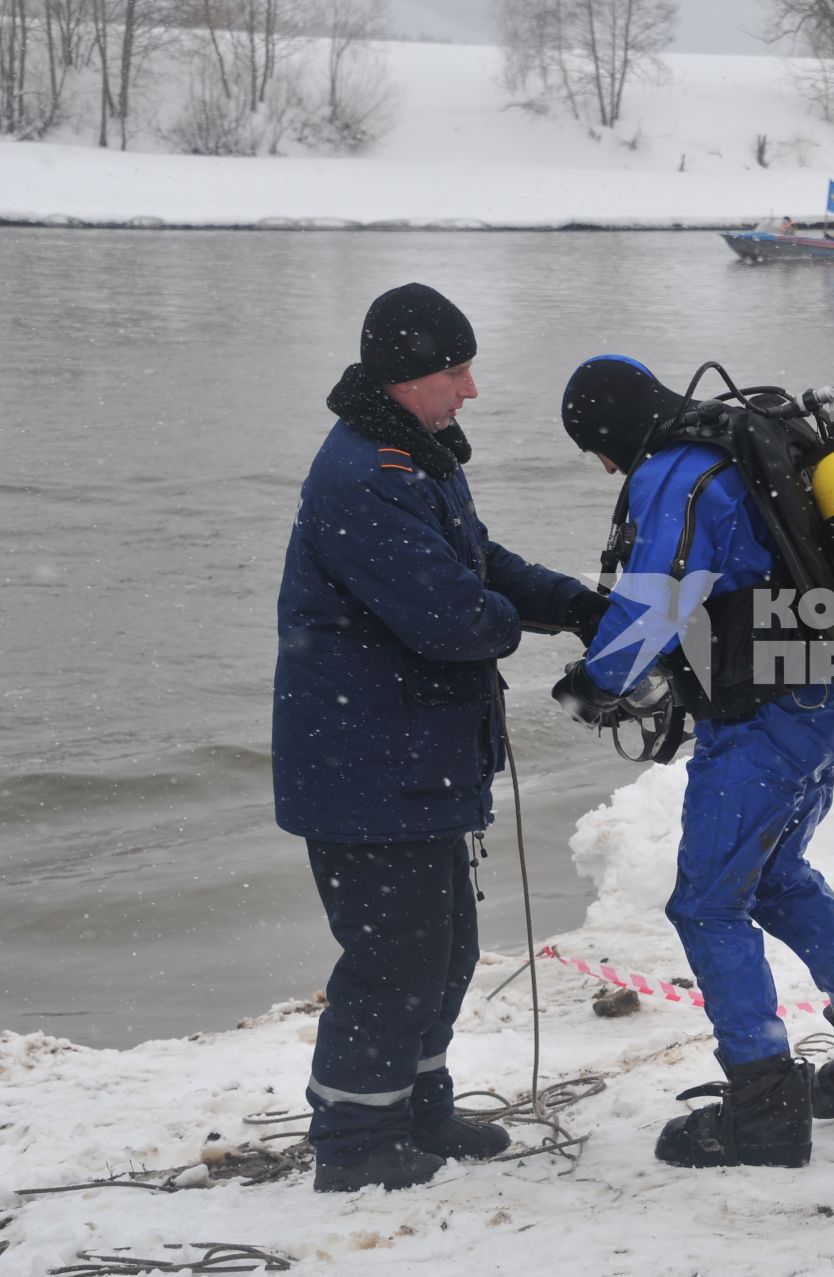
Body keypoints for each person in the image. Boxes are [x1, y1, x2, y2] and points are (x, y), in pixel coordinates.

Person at [550, 355, 834, 1171]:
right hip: (832, 695)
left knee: (706, 906)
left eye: (600, 452)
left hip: (768, 714)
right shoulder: (749, 441)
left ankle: (763, 1104)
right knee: (778, 877)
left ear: (611, 433)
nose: (609, 469)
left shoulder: (681, 471)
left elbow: (653, 600)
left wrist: (595, 685)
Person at [274, 283, 608, 1193]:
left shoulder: (417, 458)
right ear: (407, 375)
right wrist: (516, 621)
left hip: (410, 759)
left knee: (446, 945)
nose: (470, 389)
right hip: (364, 767)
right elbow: (455, 617)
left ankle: (417, 1104)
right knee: (394, 955)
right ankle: (354, 1141)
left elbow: (481, 562)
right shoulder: (362, 477)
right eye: (455, 371)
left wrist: (572, 602)